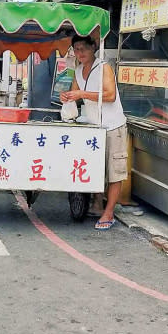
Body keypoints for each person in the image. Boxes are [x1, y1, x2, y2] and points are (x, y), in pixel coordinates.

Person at [60, 35, 134, 230]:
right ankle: (97, 204)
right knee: (96, 168)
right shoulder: (77, 70)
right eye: (76, 49)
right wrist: (67, 97)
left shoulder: (104, 68)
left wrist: (81, 94)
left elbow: (109, 95)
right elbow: (74, 95)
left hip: (112, 126)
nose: (80, 53)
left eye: (84, 48)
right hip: (93, 127)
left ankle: (109, 213)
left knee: (114, 172)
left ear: (94, 47)